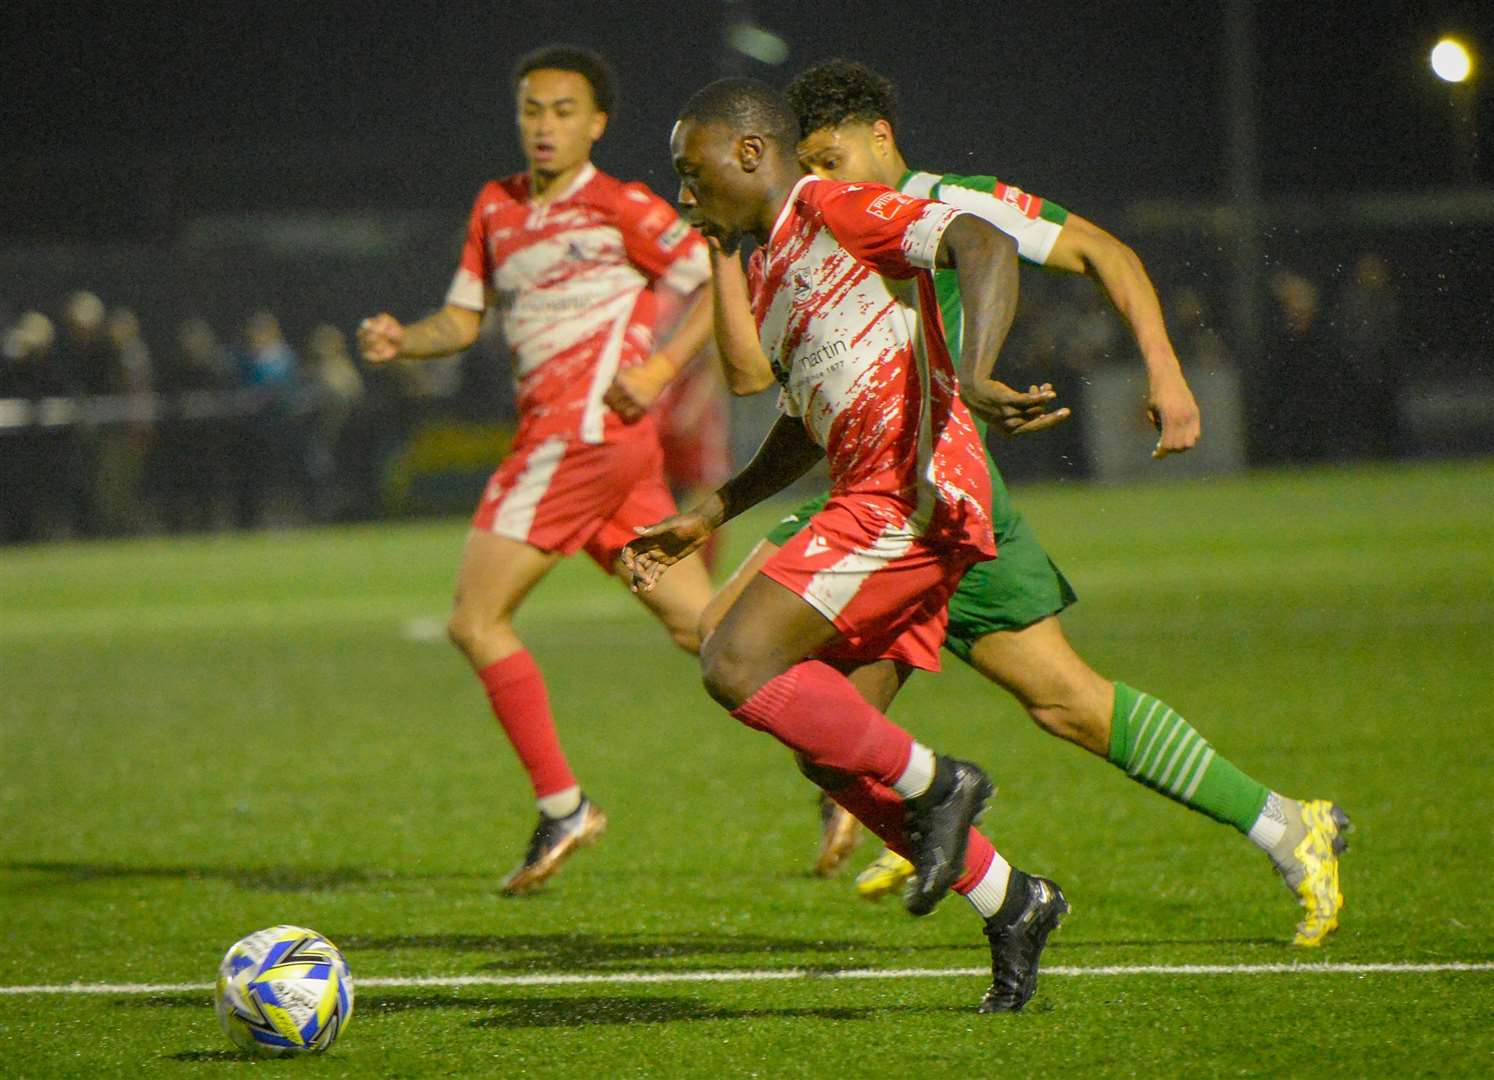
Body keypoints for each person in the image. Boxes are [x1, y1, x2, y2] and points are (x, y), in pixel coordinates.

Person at [701, 59, 1349, 948]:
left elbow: (1103, 253)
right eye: (803, 161)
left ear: (878, 135)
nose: (816, 176)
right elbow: (762, 379)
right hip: (889, 480)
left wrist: (1164, 369)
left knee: (764, 652)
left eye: (828, 154)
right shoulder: (808, 230)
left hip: (934, 489)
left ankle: (949, 827)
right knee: (1002, 707)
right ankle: (1270, 825)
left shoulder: (948, 200)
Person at [625, 77, 1072, 1014]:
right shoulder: (771, 266)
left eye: (689, 169)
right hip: (869, 498)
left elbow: (980, 239)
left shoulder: (828, 205)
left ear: (750, 151)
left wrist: (978, 370)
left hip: (911, 495)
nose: (681, 193)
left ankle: (944, 783)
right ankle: (1013, 900)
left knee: (732, 656)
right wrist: (712, 510)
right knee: (829, 748)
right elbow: (799, 420)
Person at [356, 45, 716, 896]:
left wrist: (663, 371)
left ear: (596, 123)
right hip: (603, 465)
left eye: (563, 110)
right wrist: (404, 338)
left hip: (576, 441)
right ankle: (875, 772)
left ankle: (563, 804)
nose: (545, 125)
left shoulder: (623, 205)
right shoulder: (496, 206)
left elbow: (716, 277)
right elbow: (462, 318)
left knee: (476, 621)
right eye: (532, 109)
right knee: (708, 632)